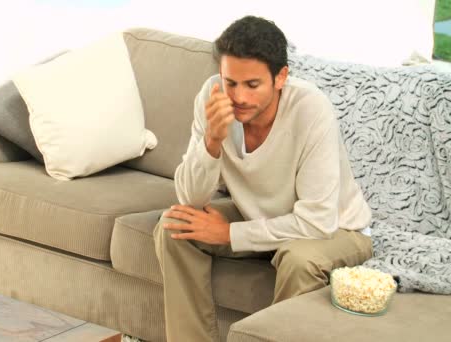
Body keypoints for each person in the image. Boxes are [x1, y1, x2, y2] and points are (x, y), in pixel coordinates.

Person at [153, 15, 373, 342]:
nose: (238, 97)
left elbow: (317, 222)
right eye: (231, 82)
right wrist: (211, 141)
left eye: (252, 85)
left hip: (336, 228)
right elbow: (190, 198)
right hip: (259, 215)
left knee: (299, 260)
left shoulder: (311, 109)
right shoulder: (212, 96)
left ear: (280, 77)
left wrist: (229, 233)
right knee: (174, 226)